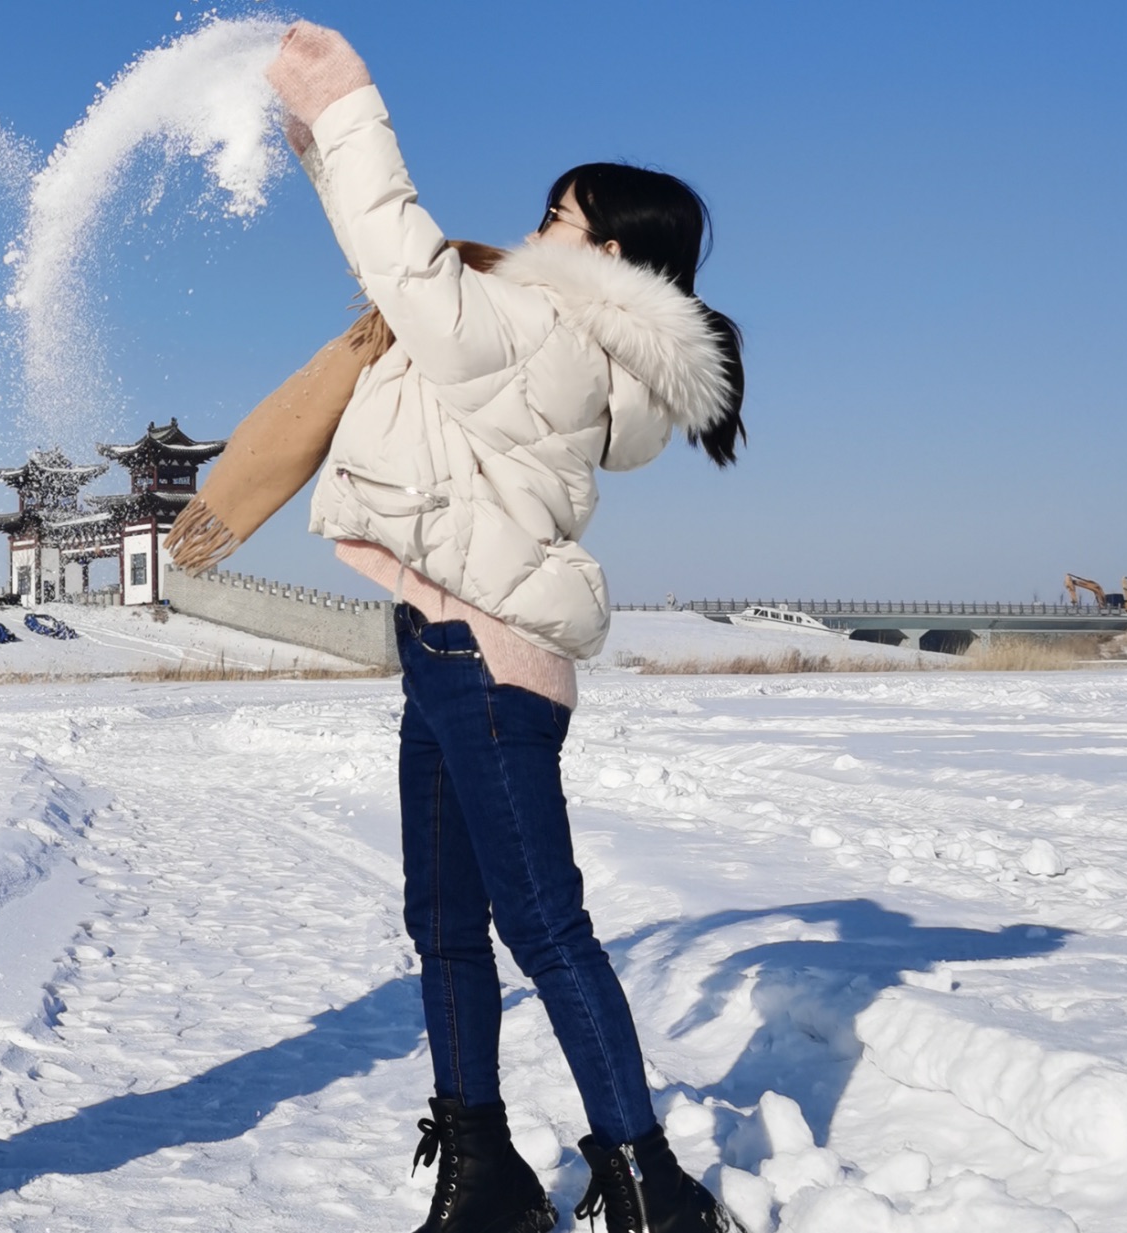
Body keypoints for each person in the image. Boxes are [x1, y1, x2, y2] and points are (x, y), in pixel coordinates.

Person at [255, 23, 750, 1233]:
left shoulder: (546, 336)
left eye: (560, 216)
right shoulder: (536, 336)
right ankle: (484, 1171)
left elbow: (410, 267)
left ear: (613, 256)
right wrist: (323, 153)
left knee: (542, 926)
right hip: (444, 652)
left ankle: (646, 1184)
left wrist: (350, 105)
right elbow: (398, 273)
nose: (535, 230)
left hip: (485, 661)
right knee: (445, 926)